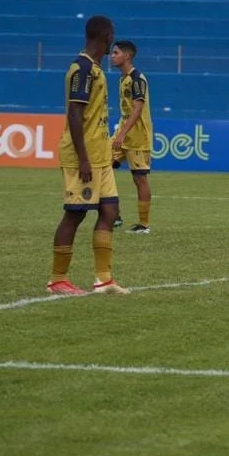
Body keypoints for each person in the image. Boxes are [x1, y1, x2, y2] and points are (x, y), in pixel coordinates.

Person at [48, 16, 128, 295]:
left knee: (110, 210)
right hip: (83, 156)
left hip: (100, 155)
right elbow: (74, 113)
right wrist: (83, 158)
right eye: (112, 35)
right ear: (105, 35)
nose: (112, 41)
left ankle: (103, 279)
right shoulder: (81, 68)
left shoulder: (94, 69)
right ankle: (58, 279)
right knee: (75, 215)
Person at [110, 40, 154, 234]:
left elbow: (137, 109)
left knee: (139, 179)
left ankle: (144, 225)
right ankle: (114, 215)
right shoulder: (123, 79)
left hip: (137, 136)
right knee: (102, 166)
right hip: (123, 133)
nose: (112, 56)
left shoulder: (137, 78)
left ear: (127, 56)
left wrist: (123, 133)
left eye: (116, 53)